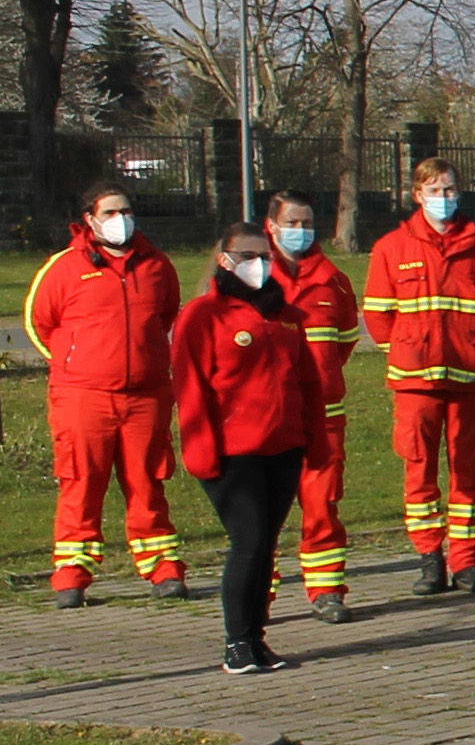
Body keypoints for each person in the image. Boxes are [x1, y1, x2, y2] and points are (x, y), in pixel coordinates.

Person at [25, 179, 187, 606]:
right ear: (89, 220)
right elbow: (39, 324)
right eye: (111, 213)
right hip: (82, 397)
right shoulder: (63, 268)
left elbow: (166, 317)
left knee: (148, 481)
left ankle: (162, 568)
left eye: (126, 211)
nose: (121, 220)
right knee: (81, 482)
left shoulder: (157, 265)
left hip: (146, 397)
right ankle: (72, 574)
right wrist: (73, 366)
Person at [171, 222, 318, 676]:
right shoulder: (203, 315)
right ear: (225, 260)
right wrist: (200, 449)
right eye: (248, 256)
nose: (258, 265)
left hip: (283, 446)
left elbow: (307, 382)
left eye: (264, 256)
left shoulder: (285, 315)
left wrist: (314, 436)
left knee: (266, 544)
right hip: (233, 451)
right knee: (248, 541)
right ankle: (236, 642)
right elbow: (190, 387)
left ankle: (257, 638)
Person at [361, 156, 475, 596]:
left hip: (467, 378)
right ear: (416, 194)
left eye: (449, 190)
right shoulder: (392, 247)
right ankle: (429, 561)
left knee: (467, 470)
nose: (443, 198)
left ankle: (466, 563)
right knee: (419, 471)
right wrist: (407, 350)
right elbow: (378, 315)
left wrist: (468, 342)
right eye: (434, 191)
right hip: (415, 380)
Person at [263, 191, 360, 621]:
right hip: (267, 419)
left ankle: (326, 591)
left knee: (321, 506)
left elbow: (344, 343)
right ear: (271, 226)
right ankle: (257, 596)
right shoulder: (252, 276)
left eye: (307, 223)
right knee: (263, 512)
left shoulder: (334, 281)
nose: (300, 232)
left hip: (322, 417)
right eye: (292, 224)